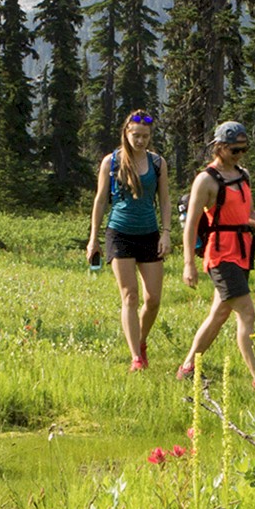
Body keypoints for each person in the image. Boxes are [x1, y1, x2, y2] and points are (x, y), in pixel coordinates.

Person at [176, 121, 255, 388]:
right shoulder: (205, 180)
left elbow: (248, 214)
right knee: (247, 313)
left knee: (219, 314)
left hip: (242, 251)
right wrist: (188, 264)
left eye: (244, 149)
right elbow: (192, 225)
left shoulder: (243, 175)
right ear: (219, 147)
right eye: (235, 150)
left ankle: (187, 368)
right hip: (220, 255)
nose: (240, 155)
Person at [87, 110, 171, 371]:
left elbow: (165, 200)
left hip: (149, 234)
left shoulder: (157, 163)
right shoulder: (111, 162)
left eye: (145, 136)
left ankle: (141, 340)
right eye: (136, 136)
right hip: (119, 233)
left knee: (153, 299)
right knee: (130, 296)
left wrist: (166, 232)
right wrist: (93, 239)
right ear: (126, 133)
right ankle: (136, 357)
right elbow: (101, 200)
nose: (141, 140)